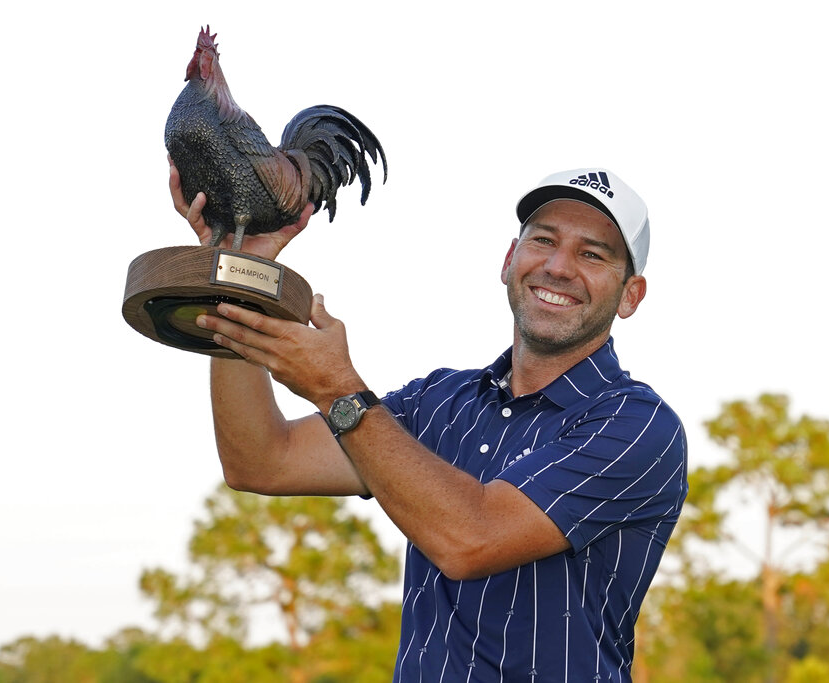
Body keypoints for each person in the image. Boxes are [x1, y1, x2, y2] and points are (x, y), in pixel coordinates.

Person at [169, 161, 688, 682]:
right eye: (543, 240)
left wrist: (336, 388)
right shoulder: (440, 400)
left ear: (630, 295)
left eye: (592, 254)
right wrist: (237, 276)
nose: (558, 266)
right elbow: (262, 461)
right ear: (509, 260)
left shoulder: (638, 426)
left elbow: (471, 539)